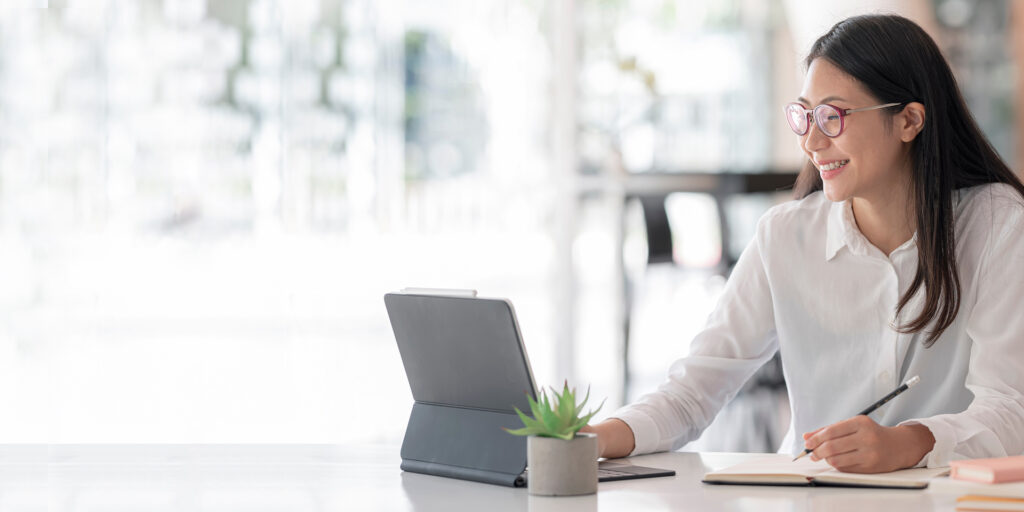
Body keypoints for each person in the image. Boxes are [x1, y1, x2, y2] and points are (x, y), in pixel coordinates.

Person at [583, 14, 1024, 474]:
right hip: (807, 493)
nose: (812, 141)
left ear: (909, 120)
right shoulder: (784, 235)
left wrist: (909, 442)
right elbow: (694, 390)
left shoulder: (996, 224)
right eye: (805, 116)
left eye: (833, 116)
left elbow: (1012, 406)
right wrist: (592, 438)